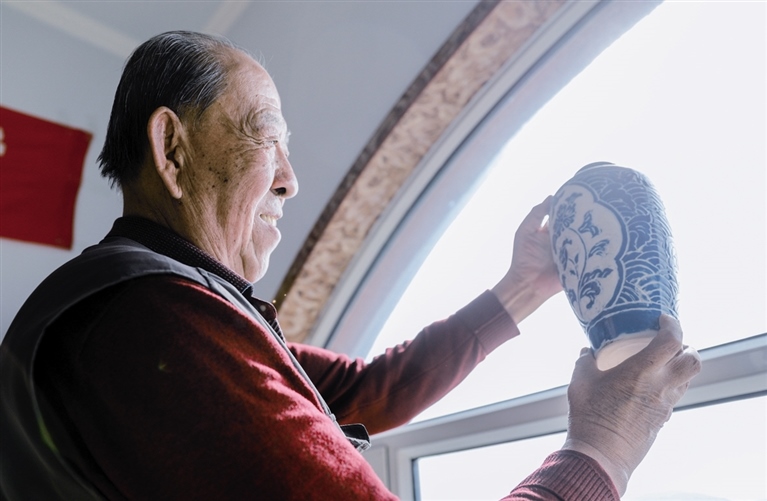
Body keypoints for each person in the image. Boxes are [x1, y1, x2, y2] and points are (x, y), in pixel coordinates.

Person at [0, 31, 701, 500]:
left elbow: (368, 391)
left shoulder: (162, 302)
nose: (290, 180)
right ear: (172, 149)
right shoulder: (152, 321)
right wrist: (602, 447)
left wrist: (521, 287)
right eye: (267, 138)